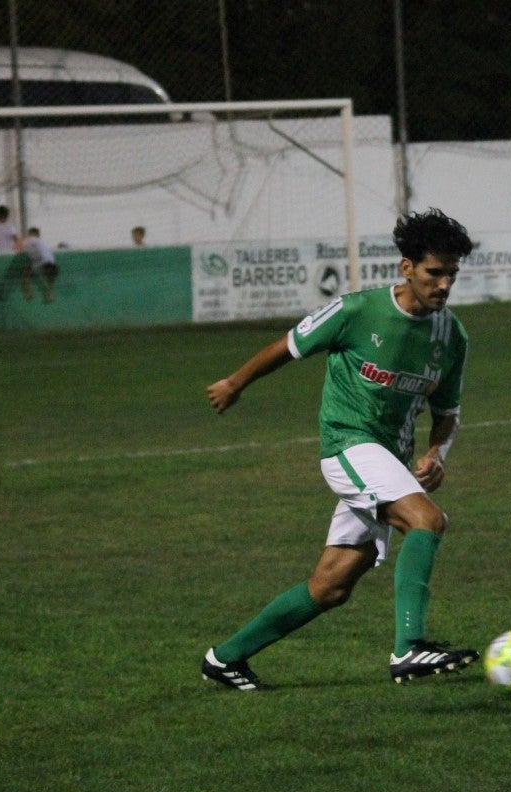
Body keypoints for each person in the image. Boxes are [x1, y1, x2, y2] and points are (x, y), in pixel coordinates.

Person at [201, 208, 478, 690]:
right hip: (347, 444)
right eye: (435, 272)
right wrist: (234, 382)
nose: (444, 284)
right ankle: (409, 647)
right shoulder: (357, 311)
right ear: (406, 267)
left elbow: (448, 413)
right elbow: (288, 346)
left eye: (452, 274)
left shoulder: (450, 336)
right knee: (428, 520)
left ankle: (225, 659)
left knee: (330, 586)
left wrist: (437, 454)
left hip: (388, 459)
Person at [20, 226, 58, 303]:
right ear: (37, 234)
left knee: (27, 274)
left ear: (31, 234)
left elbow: (21, 245)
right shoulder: (37, 241)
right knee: (49, 276)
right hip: (46, 261)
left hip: (43, 261)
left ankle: (30, 292)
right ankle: (49, 293)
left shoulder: (31, 241)